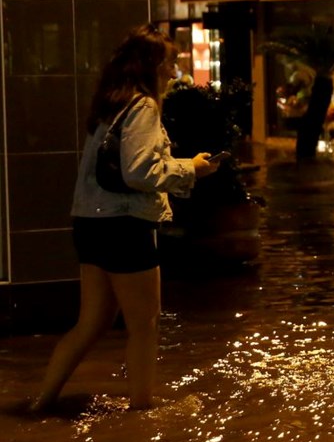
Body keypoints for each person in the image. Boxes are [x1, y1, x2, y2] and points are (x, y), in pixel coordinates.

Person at [31, 24, 222, 412]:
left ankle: (42, 404)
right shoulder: (144, 107)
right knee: (144, 323)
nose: (173, 71)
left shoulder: (110, 105)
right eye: (169, 63)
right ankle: (143, 408)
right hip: (126, 226)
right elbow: (138, 172)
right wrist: (192, 169)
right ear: (150, 65)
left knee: (92, 322)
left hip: (90, 223)